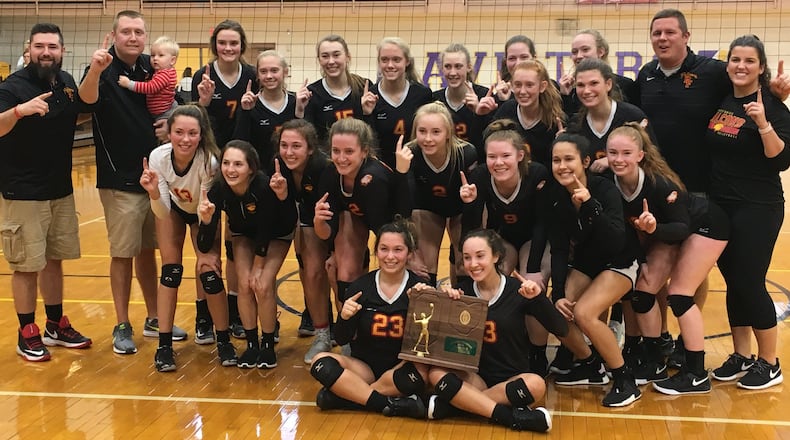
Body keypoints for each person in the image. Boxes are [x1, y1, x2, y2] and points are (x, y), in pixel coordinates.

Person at [630, 8, 790, 368]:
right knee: (696, 275)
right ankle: (721, 351)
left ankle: (756, 359)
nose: (663, 38)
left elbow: (777, 150)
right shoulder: (648, 75)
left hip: (723, 197)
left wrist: (774, 95)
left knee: (709, 276)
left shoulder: (713, 73)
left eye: (671, 32)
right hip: (669, 191)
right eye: (657, 33)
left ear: (687, 36)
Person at [0, 22, 110, 361]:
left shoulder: (65, 82)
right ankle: (26, 330)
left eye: (53, 47)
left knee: (53, 259)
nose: (46, 52)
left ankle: (54, 323)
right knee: (26, 264)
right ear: (28, 50)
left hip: (60, 188)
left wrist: (96, 70)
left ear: (62, 51)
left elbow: (81, 108)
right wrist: (20, 111)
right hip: (23, 191)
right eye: (40, 46)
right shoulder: (12, 86)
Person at [86, 10, 185, 354]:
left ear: (145, 36)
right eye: (126, 31)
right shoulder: (101, 66)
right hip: (119, 176)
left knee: (148, 251)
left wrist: (169, 122)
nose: (133, 37)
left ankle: (155, 318)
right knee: (123, 253)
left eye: (138, 32)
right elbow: (86, 101)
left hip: (155, 177)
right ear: (114, 35)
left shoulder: (151, 64)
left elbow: (175, 103)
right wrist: (96, 69)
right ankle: (122, 324)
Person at [606, 123, 729, 394]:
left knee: (680, 295)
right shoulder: (609, 183)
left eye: (626, 153)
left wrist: (653, 229)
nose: (618, 159)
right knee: (642, 294)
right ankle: (655, 362)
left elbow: (681, 228)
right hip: (666, 233)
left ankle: (696, 373)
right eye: (612, 152)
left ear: (640, 155)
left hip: (705, 225)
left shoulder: (659, 184)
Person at [706, 35, 790, 390]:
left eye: (749, 61)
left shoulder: (771, 106)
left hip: (758, 206)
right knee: (733, 282)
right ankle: (741, 355)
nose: (741, 66)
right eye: (735, 59)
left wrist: (763, 123)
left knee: (749, 281)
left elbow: (782, 160)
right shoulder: (723, 99)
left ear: (761, 67)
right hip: (721, 203)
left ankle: (769, 363)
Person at [421, 229, 560, 432]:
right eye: (467, 258)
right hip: (475, 379)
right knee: (436, 374)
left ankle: (460, 407)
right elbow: (438, 345)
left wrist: (539, 298)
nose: (473, 264)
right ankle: (509, 417)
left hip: (510, 381)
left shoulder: (518, 290)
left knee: (536, 384)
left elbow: (560, 328)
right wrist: (441, 304)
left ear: (496, 256)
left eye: (480, 256)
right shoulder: (462, 292)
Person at [140, 105, 237, 372]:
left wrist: (205, 241)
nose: (185, 139)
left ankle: (224, 340)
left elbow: (208, 212)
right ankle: (164, 346)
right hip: (172, 209)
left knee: (209, 271)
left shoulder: (210, 162)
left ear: (201, 134)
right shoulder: (158, 158)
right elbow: (161, 210)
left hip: (204, 215)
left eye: (192, 133)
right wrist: (152, 193)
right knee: (170, 271)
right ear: (168, 133)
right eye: (179, 132)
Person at [548, 133, 642, 407]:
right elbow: (559, 248)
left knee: (585, 314)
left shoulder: (604, 189)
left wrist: (590, 205)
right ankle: (591, 364)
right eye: (556, 160)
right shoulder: (555, 196)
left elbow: (616, 240)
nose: (562, 166)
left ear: (585, 162)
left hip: (620, 260)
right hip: (588, 263)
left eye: (569, 159)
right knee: (557, 310)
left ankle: (625, 380)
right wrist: (558, 293)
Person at [309, 218, 429, 419]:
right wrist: (344, 317)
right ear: (376, 251)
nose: (390, 256)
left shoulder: (420, 289)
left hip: (401, 369)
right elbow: (342, 339)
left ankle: (348, 397)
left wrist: (422, 307)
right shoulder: (360, 287)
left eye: (398, 250)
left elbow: (429, 347)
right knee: (319, 362)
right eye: (384, 249)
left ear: (409, 253)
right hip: (364, 369)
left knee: (421, 375)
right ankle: (389, 404)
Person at [458, 119, 552, 375]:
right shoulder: (479, 176)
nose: (498, 163)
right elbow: (473, 231)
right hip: (505, 239)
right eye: (492, 156)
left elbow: (542, 225)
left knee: (532, 286)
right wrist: (469, 204)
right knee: (490, 279)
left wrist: (533, 267)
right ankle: (490, 347)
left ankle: (537, 355)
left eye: (506, 156)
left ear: (520, 155)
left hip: (535, 238)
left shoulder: (538, 174)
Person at [198, 140, 296, 369]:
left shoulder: (263, 186)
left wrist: (259, 265)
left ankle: (268, 345)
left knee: (261, 284)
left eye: (238, 164)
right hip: (243, 233)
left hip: (276, 234)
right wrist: (206, 220)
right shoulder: (219, 189)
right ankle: (252, 345)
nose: (231, 169)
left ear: (251, 168)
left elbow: (266, 228)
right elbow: (204, 244)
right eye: (226, 163)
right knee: (243, 284)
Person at [193, 19, 258, 340]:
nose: (228, 48)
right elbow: (195, 123)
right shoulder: (202, 76)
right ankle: (203, 314)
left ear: (242, 46)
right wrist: (203, 102)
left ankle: (233, 311)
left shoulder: (252, 76)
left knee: (234, 244)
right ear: (215, 46)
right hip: (209, 165)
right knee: (207, 246)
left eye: (234, 43)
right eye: (223, 43)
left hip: (239, 168)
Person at [272, 119, 334, 363]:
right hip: (304, 218)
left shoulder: (324, 168)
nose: (288, 152)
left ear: (310, 148)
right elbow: (285, 215)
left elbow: (334, 215)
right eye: (284, 145)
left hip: (333, 220)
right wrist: (282, 195)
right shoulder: (278, 167)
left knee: (337, 271)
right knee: (310, 272)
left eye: (296, 146)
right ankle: (322, 334)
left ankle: (349, 338)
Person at [402, 102, 478, 287]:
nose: (428, 138)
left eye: (436, 132)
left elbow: (475, 205)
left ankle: (464, 312)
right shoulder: (409, 153)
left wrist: (463, 246)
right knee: (423, 266)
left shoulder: (466, 154)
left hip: (460, 208)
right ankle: (425, 314)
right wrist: (412, 250)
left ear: (448, 134)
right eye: (422, 131)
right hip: (427, 208)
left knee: (466, 262)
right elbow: (405, 202)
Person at [567, 58, 654, 174]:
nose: (586, 91)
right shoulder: (575, 124)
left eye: (594, 83)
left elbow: (651, 161)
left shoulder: (632, 116)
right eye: (580, 85)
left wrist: (612, 160)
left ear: (608, 84)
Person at [361, 37, 432, 169]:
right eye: (384, 60)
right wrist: (366, 113)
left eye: (396, 59)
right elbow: (368, 142)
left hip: (415, 168)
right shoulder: (369, 97)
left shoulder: (423, 94)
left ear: (407, 62)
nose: (390, 65)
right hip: (381, 169)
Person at [492, 60, 565, 168]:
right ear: (511, 85)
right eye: (517, 85)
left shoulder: (556, 120)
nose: (522, 91)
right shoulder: (506, 111)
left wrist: (564, 144)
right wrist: (480, 116)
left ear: (542, 86)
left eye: (529, 85)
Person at [299, 34, 368, 145]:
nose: (331, 61)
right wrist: (300, 111)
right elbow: (310, 139)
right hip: (327, 159)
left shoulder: (363, 87)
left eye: (336, 55)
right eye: (325, 56)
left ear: (347, 57)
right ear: (319, 60)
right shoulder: (312, 93)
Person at [233, 50, 298, 168]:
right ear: (257, 75)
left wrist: (301, 110)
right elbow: (240, 145)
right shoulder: (248, 104)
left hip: (293, 172)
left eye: (274, 70)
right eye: (263, 71)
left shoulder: (296, 102)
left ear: (285, 72)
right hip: (260, 174)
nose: (269, 76)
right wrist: (245, 112)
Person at [432, 43, 491, 159]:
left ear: (468, 67)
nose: (453, 73)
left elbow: (491, 139)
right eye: (448, 66)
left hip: (479, 165)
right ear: (441, 69)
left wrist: (479, 114)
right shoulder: (434, 99)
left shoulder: (484, 96)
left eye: (458, 66)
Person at [558, 29, 635, 118]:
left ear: (601, 52)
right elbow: (570, 124)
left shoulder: (626, 85)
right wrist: (565, 96)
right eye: (574, 52)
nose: (579, 56)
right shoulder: (569, 89)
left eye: (585, 49)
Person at [118, 35, 178, 121]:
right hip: (162, 110)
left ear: (172, 60)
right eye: (153, 55)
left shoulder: (165, 74)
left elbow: (150, 88)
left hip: (164, 114)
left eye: (161, 55)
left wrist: (129, 84)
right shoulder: (161, 72)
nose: (155, 58)